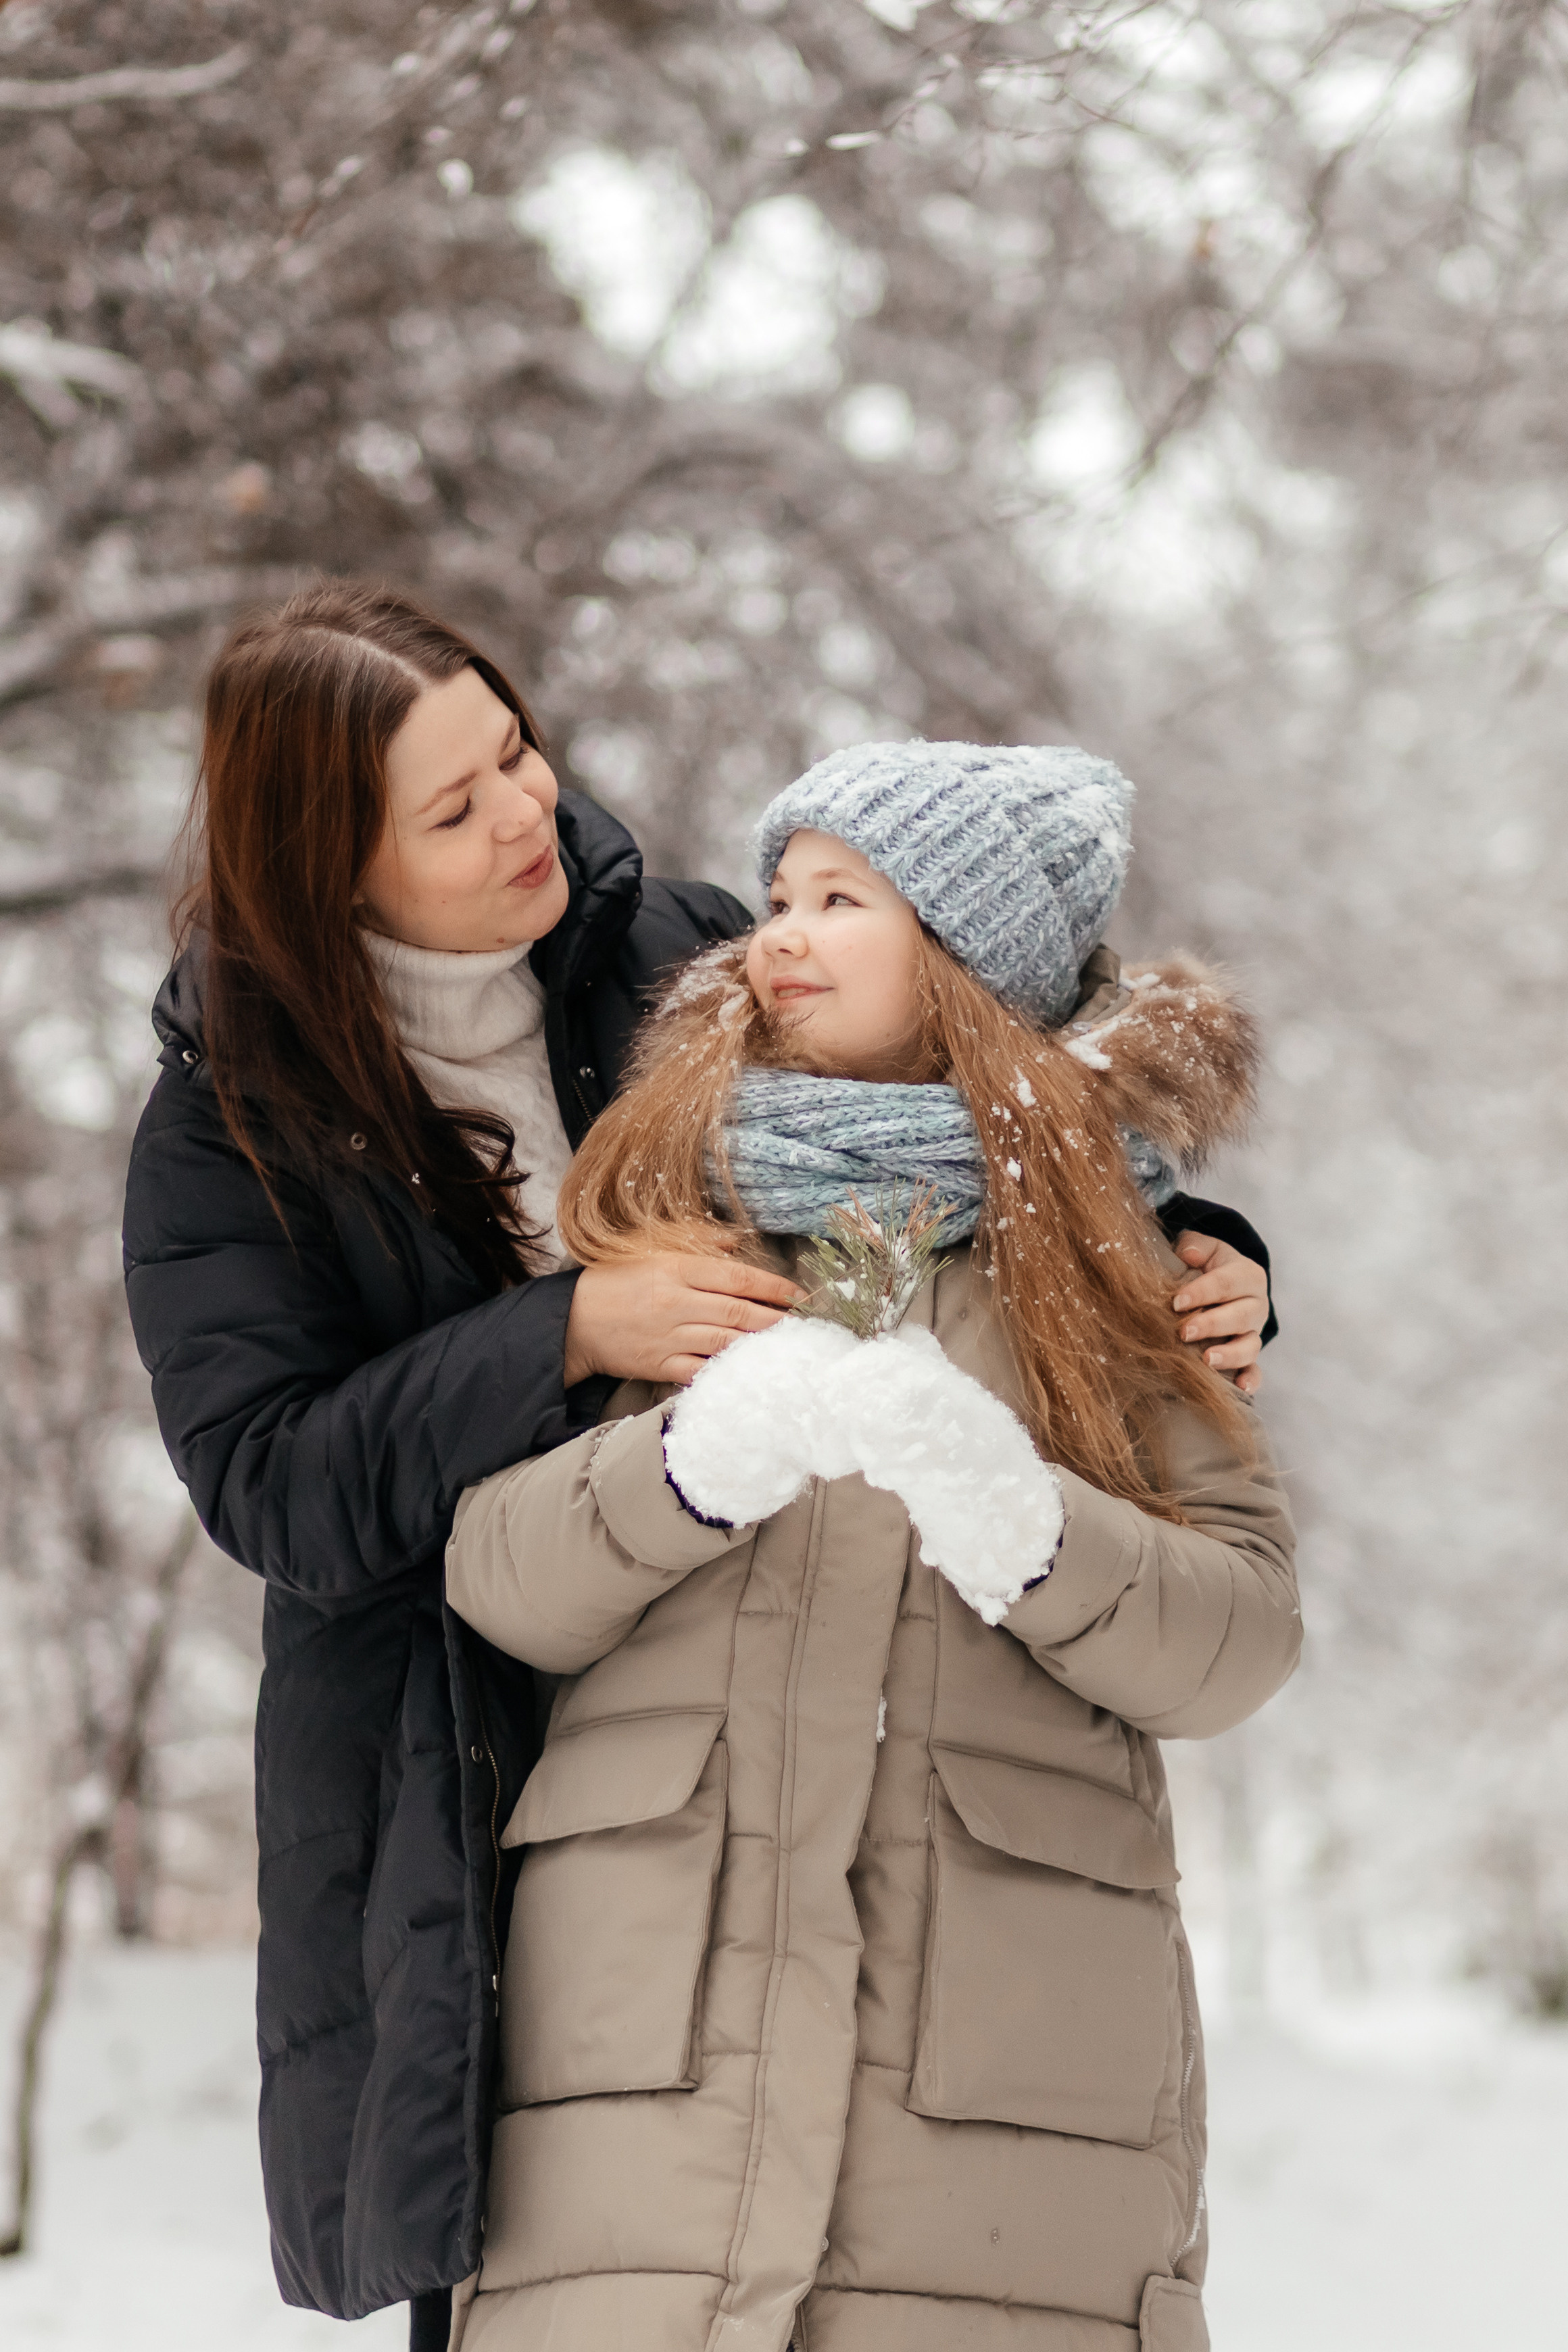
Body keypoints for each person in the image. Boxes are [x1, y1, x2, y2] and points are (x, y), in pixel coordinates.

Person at [120, 586, 1276, 2343]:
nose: (526, 814)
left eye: (513, 748)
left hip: (752, 1693)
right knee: (567, 2230)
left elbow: (974, 1107)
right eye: (452, 811)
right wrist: (571, 1332)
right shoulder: (234, 1125)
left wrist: (1201, 1251)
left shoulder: (674, 947)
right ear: (328, 870)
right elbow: (277, 1488)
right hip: (446, 1749)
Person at [443, 741, 1299, 2351]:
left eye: (839, 898)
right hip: (641, 2124)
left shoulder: (1126, 1271)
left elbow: (1240, 1636)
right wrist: (689, 1466)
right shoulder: (661, 1216)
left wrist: (1026, 1527)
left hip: (1003, 2137)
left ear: (967, 961)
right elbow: (494, 1583)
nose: (777, 932)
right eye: (773, 896)